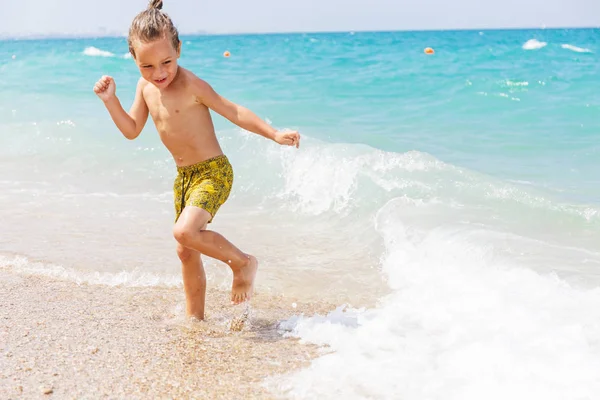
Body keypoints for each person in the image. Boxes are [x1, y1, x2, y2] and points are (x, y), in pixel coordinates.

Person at [93, 0, 300, 320]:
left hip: (213, 172)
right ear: (133, 59)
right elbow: (132, 129)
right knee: (185, 251)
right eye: (147, 66)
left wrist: (273, 134)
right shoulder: (144, 88)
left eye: (167, 62)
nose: (159, 73)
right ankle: (195, 320)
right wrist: (111, 101)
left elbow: (233, 111)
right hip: (185, 178)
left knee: (184, 232)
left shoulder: (191, 84)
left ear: (179, 50)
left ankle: (243, 263)